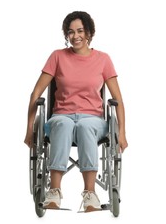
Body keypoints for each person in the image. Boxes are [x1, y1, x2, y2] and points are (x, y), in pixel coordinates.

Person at [24, 11, 128, 212]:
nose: (75, 36)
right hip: (61, 116)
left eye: (80, 31)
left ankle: (90, 195)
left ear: (89, 32)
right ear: (66, 35)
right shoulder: (57, 56)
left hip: (93, 119)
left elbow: (118, 100)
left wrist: (121, 133)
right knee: (62, 124)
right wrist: (29, 129)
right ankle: (53, 191)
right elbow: (36, 92)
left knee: (85, 125)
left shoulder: (103, 59)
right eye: (70, 32)